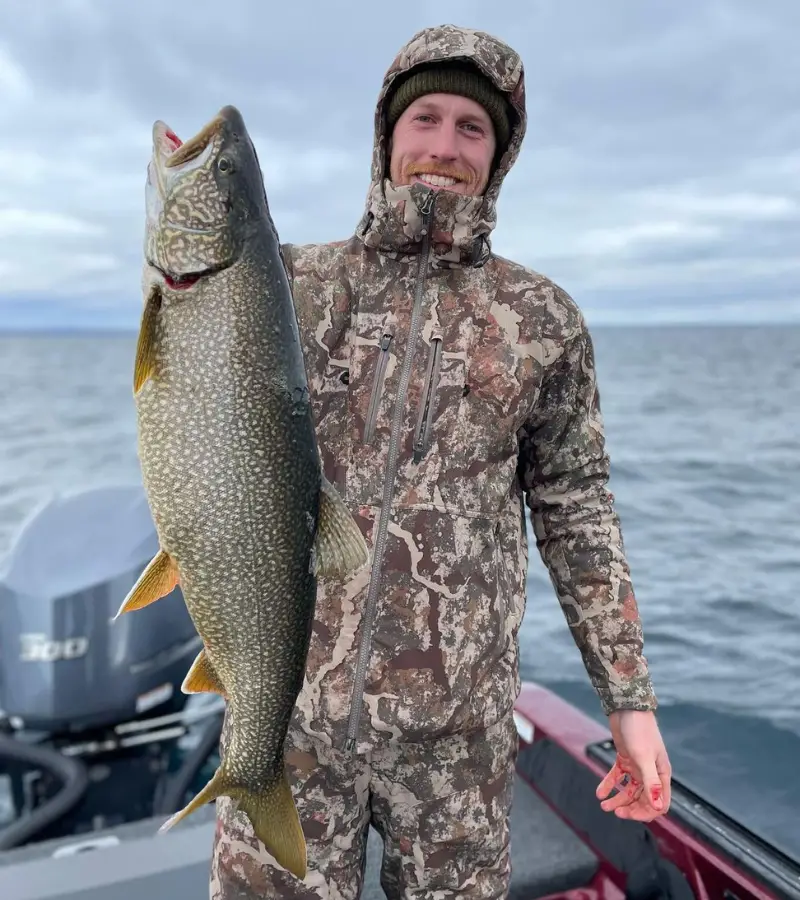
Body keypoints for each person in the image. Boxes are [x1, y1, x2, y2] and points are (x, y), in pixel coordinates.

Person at [210, 22, 672, 900]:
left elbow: (577, 515)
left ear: (498, 156)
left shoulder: (543, 320)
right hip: (288, 721)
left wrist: (630, 698)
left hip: (458, 740)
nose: (444, 147)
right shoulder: (291, 283)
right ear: (387, 135)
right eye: (425, 118)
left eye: (473, 128)